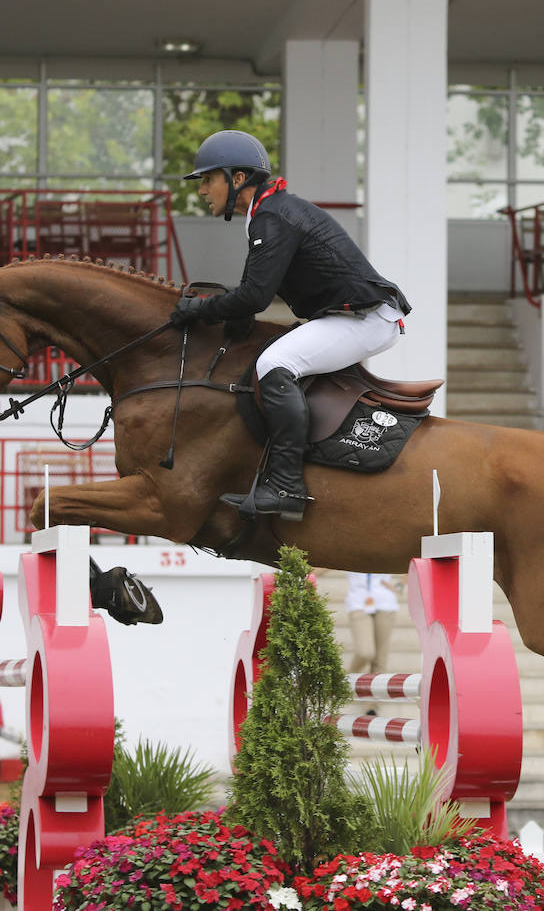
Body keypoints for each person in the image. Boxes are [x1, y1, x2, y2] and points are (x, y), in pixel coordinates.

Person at [168, 130, 410, 521]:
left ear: (238, 179)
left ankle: (286, 486)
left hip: (366, 319)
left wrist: (197, 310)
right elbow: (253, 293)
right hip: (351, 315)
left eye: (208, 179)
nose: (202, 190)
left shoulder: (272, 216)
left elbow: (253, 298)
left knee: (274, 365)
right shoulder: (267, 212)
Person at [343, 573, 401, 714]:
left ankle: (372, 706)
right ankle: (345, 680)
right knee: (365, 652)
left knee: (379, 660)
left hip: (385, 603)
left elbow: (410, 563)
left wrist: (399, 586)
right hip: (358, 603)